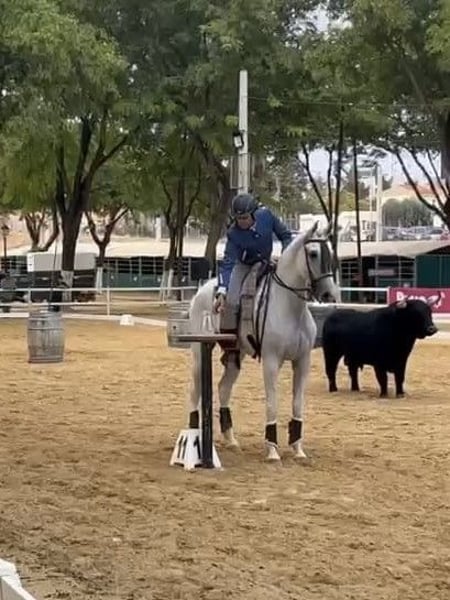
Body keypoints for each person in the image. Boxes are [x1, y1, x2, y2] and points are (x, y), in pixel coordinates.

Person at [214, 192, 293, 329]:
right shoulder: (233, 233)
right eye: (238, 218)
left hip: (267, 261)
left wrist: (284, 257)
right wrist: (222, 290)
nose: (241, 222)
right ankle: (229, 334)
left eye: (245, 217)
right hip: (244, 265)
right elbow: (228, 263)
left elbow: (285, 235)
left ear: (253, 214)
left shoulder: (267, 215)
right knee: (232, 300)